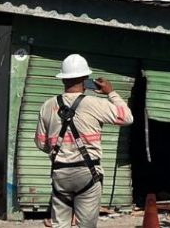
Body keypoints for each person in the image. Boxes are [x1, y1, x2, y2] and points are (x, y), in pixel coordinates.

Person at [35, 54, 134, 228]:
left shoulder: (47, 106)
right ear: (85, 78)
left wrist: (60, 148)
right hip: (87, 173)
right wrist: (111, 92)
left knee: (60, 225)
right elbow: (127, 117)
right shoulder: (96, 103)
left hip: (60, 173)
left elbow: (41, 143)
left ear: (63, 79)